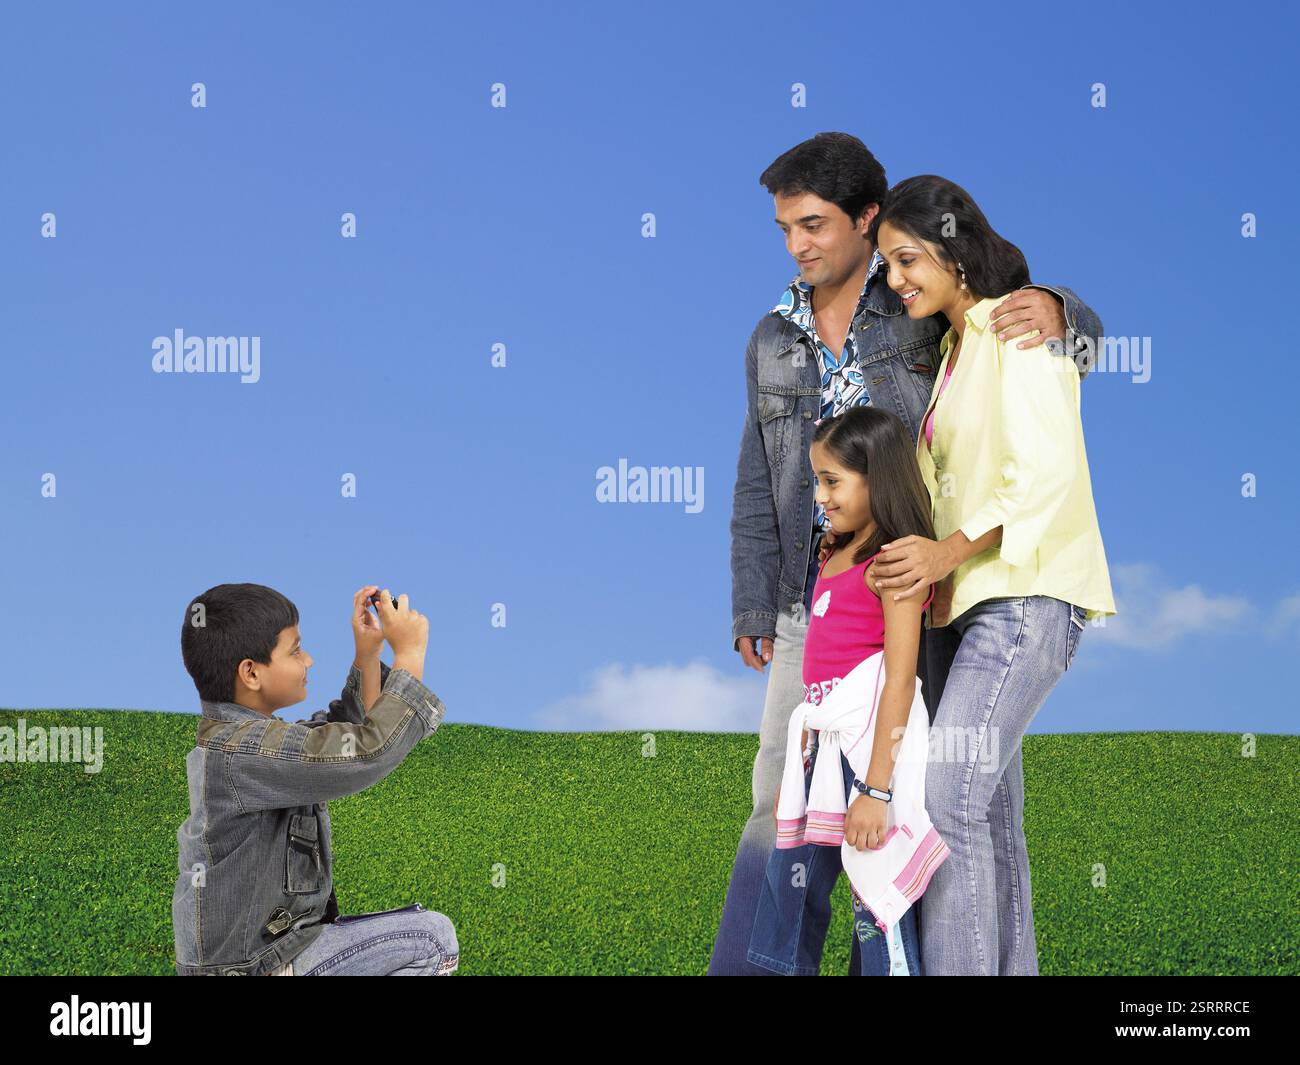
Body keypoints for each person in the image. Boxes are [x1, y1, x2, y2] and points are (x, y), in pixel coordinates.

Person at [714, 131, 1104, 974]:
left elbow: (1025, 325)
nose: (798, 245)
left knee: (929, 802)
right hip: (808, 597)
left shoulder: (922, 311)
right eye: (785, 229)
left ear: (867, 219)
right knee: (781, 799)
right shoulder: (771, 339)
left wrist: (1065, 307)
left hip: (920, 594)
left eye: (814, 224)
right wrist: (753, 599)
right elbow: (756, 476)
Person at [867, 174, 1117, 975]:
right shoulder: (951, 352)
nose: (897, 279)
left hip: (1022, 593)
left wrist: (944, 552)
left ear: (950, 248)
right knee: (989, 820)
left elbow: (1043, 474)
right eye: (888, 266)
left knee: (948, 801)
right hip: (964, 607)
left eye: (908, 260)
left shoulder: (1018, 325)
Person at [745, 406, 949, 975]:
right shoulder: (832, 554)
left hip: (866, 762)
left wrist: (877, 791)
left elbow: (901, 680)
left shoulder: (894, 563)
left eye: (833, 480)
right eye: (816, 480)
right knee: (792, 894)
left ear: (876, 477)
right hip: (819, 758)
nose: (821, 496)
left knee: (875, 900)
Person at [172, 582, 459, 975]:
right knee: (431, 939)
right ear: (251, 672)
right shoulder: (242, 751)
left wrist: (369, 652)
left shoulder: (247, 743)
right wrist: (409, 654)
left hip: (273, 956)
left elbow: (342, 736)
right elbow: (366, 752)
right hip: (255, 969)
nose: (308, 660)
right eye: (294, 650)